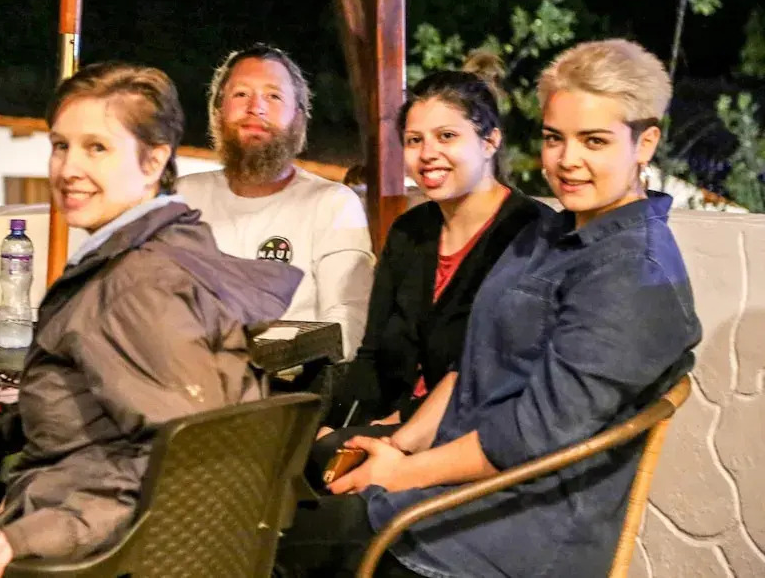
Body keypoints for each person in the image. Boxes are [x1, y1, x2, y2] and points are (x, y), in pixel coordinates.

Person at [276, 39, 701, 577]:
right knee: (272, 503)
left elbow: (531, 437)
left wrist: (400, 474)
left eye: (594, 141)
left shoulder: (635, 275)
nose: (567, 161)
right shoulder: (552, 234)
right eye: (554, 138)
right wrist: (399, 446)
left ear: (645, 143)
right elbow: (473, 363)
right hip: (457, 479)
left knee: (270, 541)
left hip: (511, 524)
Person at [0, 62, 303, 578]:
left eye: (97, 148)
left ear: (153, 161)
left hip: (98, 556)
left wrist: (26, 535)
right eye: (60, 146)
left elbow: (179, 460)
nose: (68, 169)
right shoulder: (170, 249)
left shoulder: (133, 286)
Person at [311, 53, 547, 475]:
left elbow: (495, 370)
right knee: (295, 450)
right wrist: (337, 423)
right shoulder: (410, 231)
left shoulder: (530, 234)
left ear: (490, 141)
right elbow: (372, 354)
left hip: (468, 437)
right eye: (414, 140)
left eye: (446, 136)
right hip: (389, 424)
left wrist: (394, 430)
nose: (428, 154)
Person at [177, 43, 374, 359]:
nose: (255, 107)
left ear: (299, 118)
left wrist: (255, 360)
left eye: (273, 96)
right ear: (217, 111)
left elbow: (348, 322)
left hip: (290, 381)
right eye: (241, 94)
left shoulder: (332, 204)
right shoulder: (183, 198)